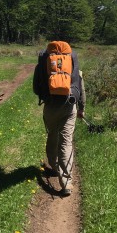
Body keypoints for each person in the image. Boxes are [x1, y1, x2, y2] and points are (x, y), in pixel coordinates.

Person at [34, 42, 86, 196]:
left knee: (52, 135)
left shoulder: (44, 57)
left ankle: (55, 166)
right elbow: (79, 85)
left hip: (50, 106)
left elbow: (36, 87)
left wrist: (46, 94)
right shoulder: (73, 56)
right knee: (66, 140)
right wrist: (81, 107)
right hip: (69, 105)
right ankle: (66, 182)